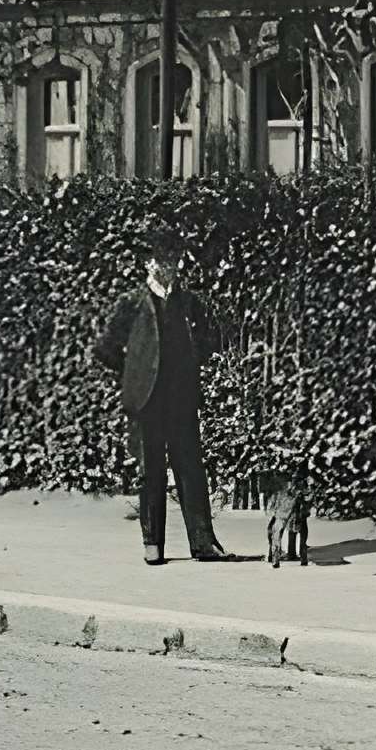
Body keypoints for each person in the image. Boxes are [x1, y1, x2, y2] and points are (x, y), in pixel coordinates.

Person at [91, 225, 232, 564]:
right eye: (160, 261)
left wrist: (192, 366)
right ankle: (152, 545)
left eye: (172, 260)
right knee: (150, 471)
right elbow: (105, 348)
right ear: (148, 264)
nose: (166, 267)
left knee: (191, 469)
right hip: (147, 401)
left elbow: (211, 340)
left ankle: (202, 544)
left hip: (181, 398)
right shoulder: (132, 303)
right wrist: (134, 376)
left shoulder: (188, 302)